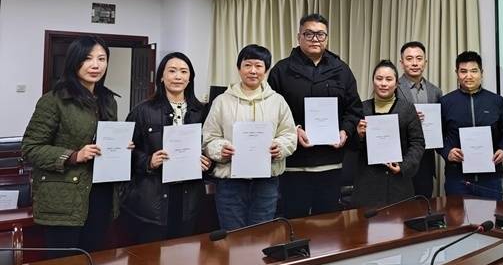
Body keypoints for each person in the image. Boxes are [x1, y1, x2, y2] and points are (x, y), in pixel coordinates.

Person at [22, 35, 132, 254]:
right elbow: (30, 148)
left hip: (101, 194)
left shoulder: (108, 100)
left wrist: (121, 147)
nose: (96, 65)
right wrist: (74, 156)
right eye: (88, 58)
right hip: (63, 198)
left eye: (102, 59)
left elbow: (105, 139)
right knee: (64, 264)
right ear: (74, 61)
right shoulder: (54, 100)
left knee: (93, 260)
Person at [268, 13, 363, 218]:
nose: (315, 39)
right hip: (294, 164)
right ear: (299, 37)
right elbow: (271, 112)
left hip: (331, 162)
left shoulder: (341, 70)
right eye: (309, 34)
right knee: (294, 221)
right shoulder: (281, 71)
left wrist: (345, 131)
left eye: (320, 34)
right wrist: (294, 130)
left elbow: (354, 109)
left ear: (327, 38)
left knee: (328, 224)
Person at [202, 44, 297, 230]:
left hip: (266, 182)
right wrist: (220, 149)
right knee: (232, 234)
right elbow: (209, 138)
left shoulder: (278, 101)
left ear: (266, 70)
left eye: (258, 66)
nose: (253, 71)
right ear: (239, 68)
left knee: (262, 235)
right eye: (247, 65)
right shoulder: (222, 101)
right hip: (230, 182)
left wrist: (279, 147)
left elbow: (290, 135)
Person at [121, 52, 211, 243]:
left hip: (189, 198)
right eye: (172, 71)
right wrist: (148, 161)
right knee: (151, 257)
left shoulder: (201, 111)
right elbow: (125, 151)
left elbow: (210, 144)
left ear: (190, 78)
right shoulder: (143, 110)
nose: (178, 76)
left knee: (184, 253)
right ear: (161, 76)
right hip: (152, 198)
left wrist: (207, 161)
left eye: (184, 72)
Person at [439, 51, 503, 200]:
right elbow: (437, 136)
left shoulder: (495, 101)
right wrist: (447, 151)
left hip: (490, 179)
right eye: (463, 71)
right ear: (457, 73)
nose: (468, 76)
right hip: (457, 178)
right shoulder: (446, 102)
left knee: (491, 214)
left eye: (474, 71)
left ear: (481, 73)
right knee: (457, 215)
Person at [352, 60, 425, 208]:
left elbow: (418, 143)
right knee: (366, 222)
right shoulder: (361, 109)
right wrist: (358, 135)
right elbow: (351, 147)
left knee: (400, 221)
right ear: (373, 81)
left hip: (398, 184)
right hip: (367, 184)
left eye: (389, 79)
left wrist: (403, 166)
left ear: (396, 84)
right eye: (379, 79)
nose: (383, 83)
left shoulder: (407, 109)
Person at [396, 41, 443, 198]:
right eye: (409, 59)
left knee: (424, 204)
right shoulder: (392, 88)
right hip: (401, 157)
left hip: (426, 159)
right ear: (402, 63)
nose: (415, 63)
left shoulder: (435, 92)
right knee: (401, 207)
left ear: (425, 62)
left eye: (419, 58)